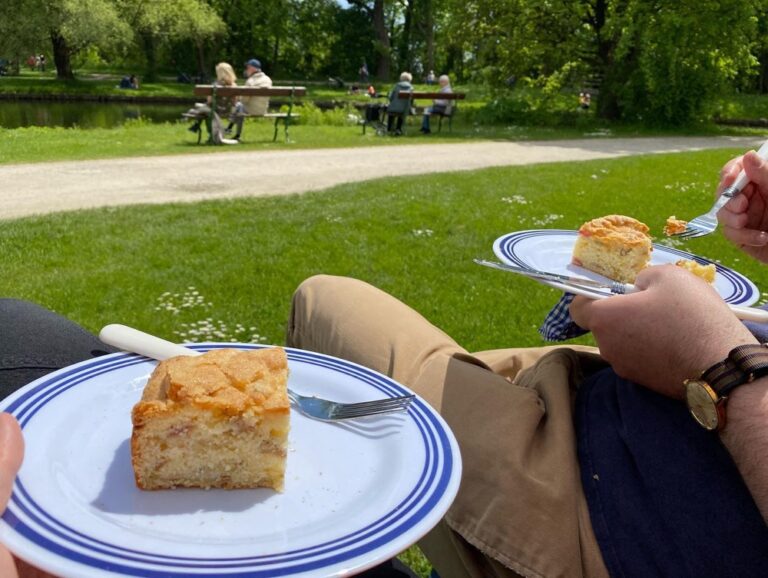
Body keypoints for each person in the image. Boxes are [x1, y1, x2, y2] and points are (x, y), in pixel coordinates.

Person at [3, 152, 768, 577]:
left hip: (622, 509)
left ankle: (326, 534)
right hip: (615, 394)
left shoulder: (720, 372)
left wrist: (719, 363)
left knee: (11, 334)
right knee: (326, 298)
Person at [225, 58, 272, 141]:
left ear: (252, 68)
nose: (246, 70)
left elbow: (244, 100)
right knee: (240, 108)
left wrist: (238, 99)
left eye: (247, 68)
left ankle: (232, 130)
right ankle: (230, 129)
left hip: (251, 110)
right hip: (263, 110)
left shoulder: (251, 81)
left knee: (239, 107)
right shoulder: (268, 79)